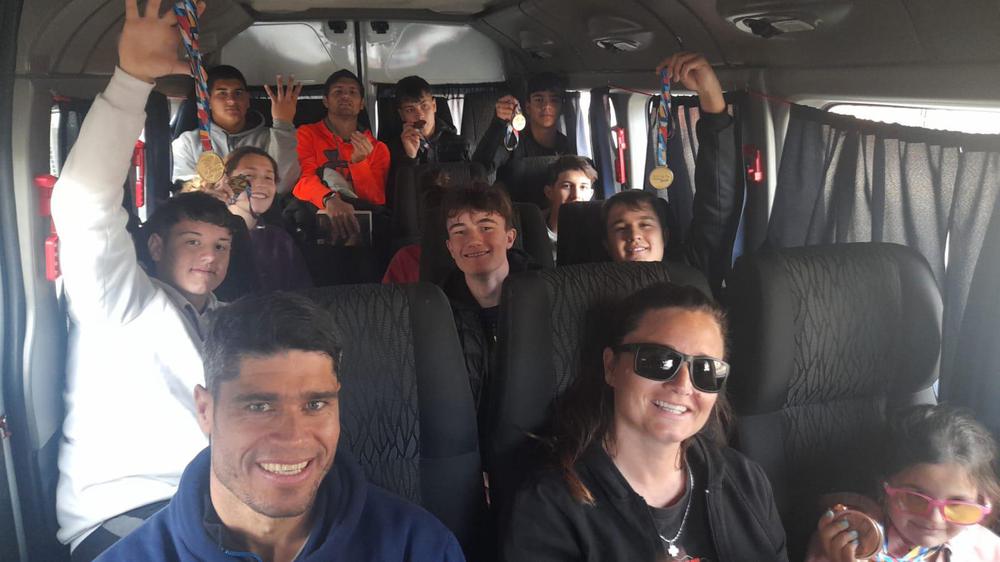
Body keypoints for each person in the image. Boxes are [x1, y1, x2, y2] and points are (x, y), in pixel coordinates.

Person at [49, 1, 239, 558]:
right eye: (193, 242)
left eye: (222, 246)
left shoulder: (230, 320)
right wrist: (130, 82)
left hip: (216, 509)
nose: (210, 257)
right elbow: (83, 204)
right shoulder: (121, 300)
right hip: (127, 515)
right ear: (155, 247)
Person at [95, 292, 466, 561]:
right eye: (259, 406)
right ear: (205, 410)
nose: (294, 438)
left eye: (315, 405)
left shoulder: (420, 548)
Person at [502, 283, 788, 561]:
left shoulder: (746, 481)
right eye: (659, 360)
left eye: (705, 369)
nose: (683, 385)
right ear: (611, 366)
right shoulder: (549, 505)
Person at [603, 52, 741, 295]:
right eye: (620, 228)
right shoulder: (586, 289)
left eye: (645, 224)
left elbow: (716, 201)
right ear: (606, 244)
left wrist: (708, 91)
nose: (634, 236)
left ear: (665, 236)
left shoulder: (690, 273)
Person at [807, 404, 1000, 562]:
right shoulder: (842, 543)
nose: (935, 519)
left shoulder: (987, 550)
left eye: (957, 505)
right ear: (884, 487)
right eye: (915, 498)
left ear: (981, 502)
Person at [440, 184, 538, 406]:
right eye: (460, 231)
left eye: (486, 227)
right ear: (450, 248)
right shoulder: (437, 312)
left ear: (510, 238)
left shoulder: (547, 296)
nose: (473, 240)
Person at [293, 69, 390, 241]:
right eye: (338, 92)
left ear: (361, 104)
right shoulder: (306, 134)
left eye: (352, 92)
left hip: (364, 228)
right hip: (315, 220)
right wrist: (330, 200)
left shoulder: (377, 148)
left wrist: (360, 163)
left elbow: (375, 200)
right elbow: (302, 181)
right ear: (325, 101)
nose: (345, 96)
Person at [172, 64, 301, 194]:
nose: (232, 101)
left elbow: (283, 185)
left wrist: (283, 124)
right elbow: (185, 192)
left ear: (248, 100)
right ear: (207, 101)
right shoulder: (188, 142)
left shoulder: (272, 139)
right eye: (222, 93)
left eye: (238, 93)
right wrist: (249, 181)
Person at [211, 146, 312, 292]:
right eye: (249, 176)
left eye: (269, 178)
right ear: (226, 181)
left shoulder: (279, 240)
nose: (261, 184)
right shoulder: (208, 235)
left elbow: (302, 293)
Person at [472, 72, 572, 176]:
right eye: (539, 99)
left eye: (554, 100)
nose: (546, 106)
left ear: (562, 108)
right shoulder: (513, 142)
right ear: (528, 107)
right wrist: (498, 123)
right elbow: (478, 169)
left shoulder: (566, 145)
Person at [387, 75, 468, 170]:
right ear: (402, 115)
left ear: (434, 106)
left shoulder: (460, 144)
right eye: (410, 110)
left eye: (424, 106)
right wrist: (410, 158)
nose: (420, 115)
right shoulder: (390, 151)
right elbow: (398, 180)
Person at [542, 155, 597, 263]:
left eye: (583, 187)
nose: (576, 195)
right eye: (567, 186)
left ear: (590, 194)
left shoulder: (599, 228)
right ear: (549, 192)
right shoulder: (533, 228)